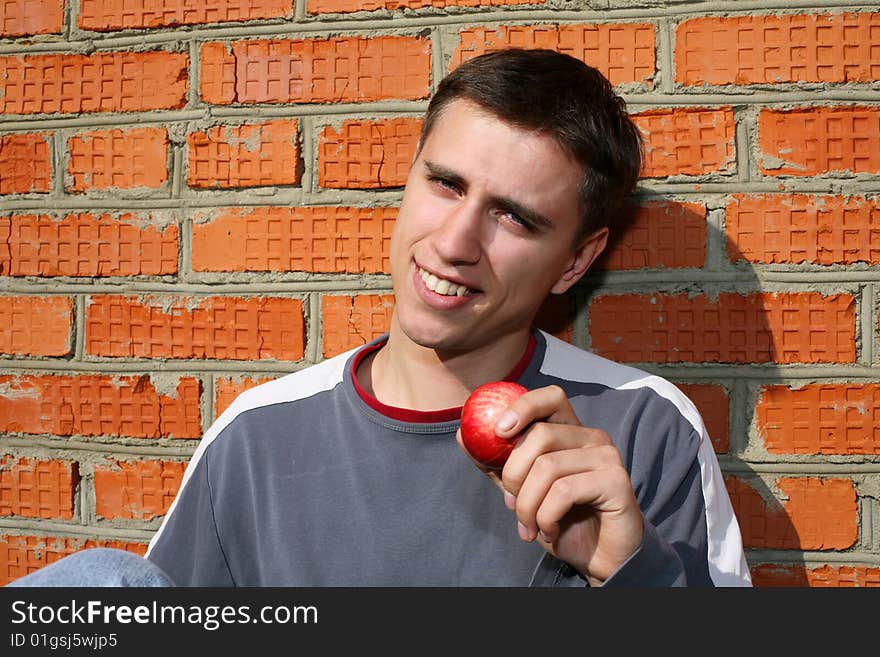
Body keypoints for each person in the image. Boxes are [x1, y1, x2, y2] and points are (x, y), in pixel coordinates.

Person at [8, 48, 751, 587]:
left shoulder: (642, 431)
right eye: (445, 184)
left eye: (515, 219)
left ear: (575, 261)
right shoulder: (257, 436)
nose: (455, 243)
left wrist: (630, 573)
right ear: (410, 178)